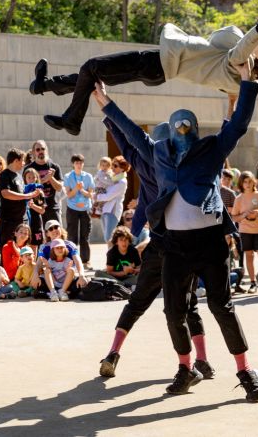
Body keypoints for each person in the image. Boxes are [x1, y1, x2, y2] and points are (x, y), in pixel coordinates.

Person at [95, 67, 258, 402]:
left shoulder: (212, 149)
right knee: (174, 310)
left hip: (210, 242)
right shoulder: (158, 152)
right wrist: (104, 103)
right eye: (178, 128)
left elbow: (239, 124)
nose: (183, 132)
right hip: (174, 244)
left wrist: (248, 85)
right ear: (170, 134)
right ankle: (185, 367)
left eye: (188, 127)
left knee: (221, 306)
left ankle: (245, 371)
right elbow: (130, 132)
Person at [32, 0, 258, 135]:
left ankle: (72, 119)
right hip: (160, 71)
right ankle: (45, 85)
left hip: (157, 63)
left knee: (91, 67)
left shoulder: (239, 60)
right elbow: (231, 102)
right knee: (92, 76)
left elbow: (257, 32)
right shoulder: (240, 80)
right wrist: (230, 105)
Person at [97, 116, 210, 381]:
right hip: (183, 244)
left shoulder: (145, 166)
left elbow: (126, 147)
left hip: (159, 244)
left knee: (136, 304)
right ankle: (201, 361)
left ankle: (113, 353)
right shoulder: (182, 169)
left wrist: (110, 120)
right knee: (188, 305)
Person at [231, 172, 258, 294]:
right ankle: (252, 283)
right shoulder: (239, 198)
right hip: (245, 231)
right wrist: (244, 215)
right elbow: (234, 218)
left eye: (250, 181)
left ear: (254, 182)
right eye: (245, 182)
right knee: (249, 256)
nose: (248, 184)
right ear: (241, 183)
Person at [0, 149, 43, 248]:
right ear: (15, 161)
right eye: (22, 161)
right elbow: (5, 193)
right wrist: (28, 195)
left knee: (22, 250)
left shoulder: (19, 176)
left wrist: (34, 192)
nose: (23, 164)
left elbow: (22, 193)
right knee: (8, 249)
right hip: (9, 221)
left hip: (21, 220)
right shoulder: (4, 175)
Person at [24, 141, 63, 245]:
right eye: (38, 149)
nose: (41, 151)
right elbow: (26, 188)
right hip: (35, 210)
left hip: (52, 207)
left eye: (43, 149)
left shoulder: (54, 166)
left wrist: (51, 178)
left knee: (57, 237)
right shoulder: (29, 169)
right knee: (38, 240)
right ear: (33, 152)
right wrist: (45, 179)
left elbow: (59, 188)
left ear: (46, 150)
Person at [63, 154, 95, 266]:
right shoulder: (68, 176)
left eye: (81, 163)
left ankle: (85, 260)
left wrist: (82, 190)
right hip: (72, 209)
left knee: (85, 235)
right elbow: (69, 195)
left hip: (85, 209)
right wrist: (76, 188)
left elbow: (90, 194)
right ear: (73, 164)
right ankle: (71, 259)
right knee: (72, 235)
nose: (79, 165)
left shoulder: (88, 176)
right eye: (76, 163)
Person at [98, 157, 130, 246]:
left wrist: (96, 196)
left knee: (109, 238)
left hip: (113, 211)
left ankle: (112, 258)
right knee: (107, 238)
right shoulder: (112, 179)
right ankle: (112, 257)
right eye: (112, 165)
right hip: (105, 210)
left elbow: (108, 196)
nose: (112, 167)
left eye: (115, 166)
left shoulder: (122, 181)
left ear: (122, 168)